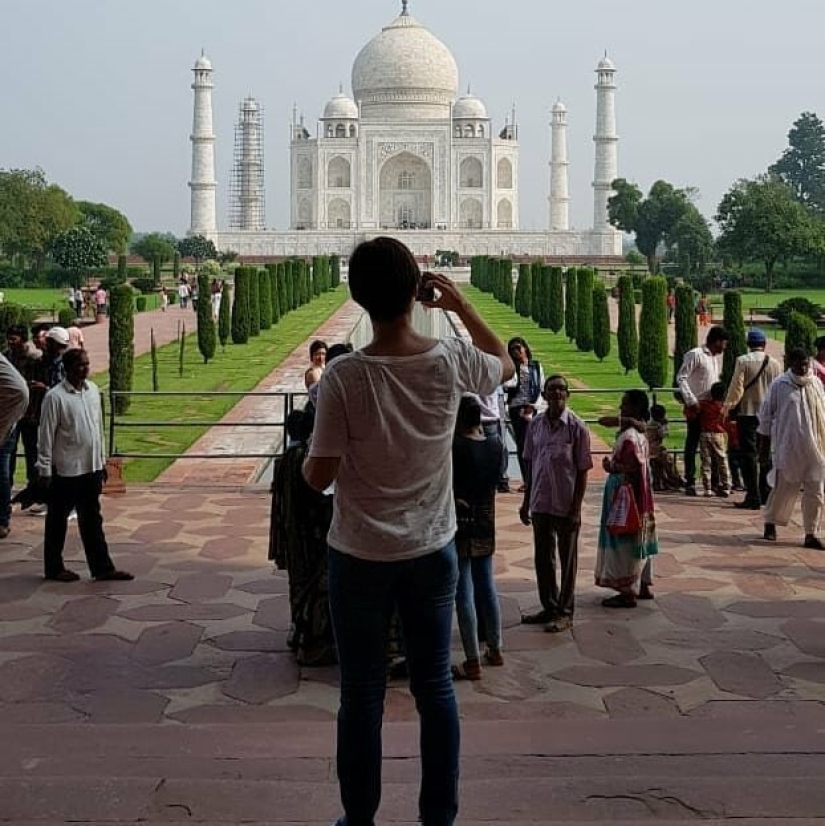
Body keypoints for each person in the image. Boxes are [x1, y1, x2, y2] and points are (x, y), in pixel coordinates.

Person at [302, 236, 512, 826]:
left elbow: (318, 478)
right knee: (435, 692)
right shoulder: (448, 359)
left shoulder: (344, 377)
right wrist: (460, 305)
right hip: (431, 549)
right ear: (417, 288)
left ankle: (359, 818)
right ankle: (438, 817)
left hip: (360, 555)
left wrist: (306, 463)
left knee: (361, 697)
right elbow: (506, 365)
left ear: (358, 295)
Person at [36, 348, 133, 582]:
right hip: (66, 470)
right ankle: (54, 567)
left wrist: (102, 462)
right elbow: (46, 435)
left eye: (87, 364)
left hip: (90, 468)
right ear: (67, 368)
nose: (85, 369)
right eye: (79, 365)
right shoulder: (55, 397)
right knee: (57, 521)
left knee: (92, 520)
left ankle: (102, 567)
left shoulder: (93, 391)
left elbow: (97, 429)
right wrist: (44, 469)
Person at [519, 375, 592, 633]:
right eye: (552, 390)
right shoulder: (536, 425)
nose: (557, 394)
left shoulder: (576, 427)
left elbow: (583, 470)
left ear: (567, 395)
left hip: (565, 502)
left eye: (562, 389)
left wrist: (576, 508)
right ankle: (549, 605)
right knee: (543, 558)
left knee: (567, 559)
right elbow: (530, 463)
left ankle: (565, 610)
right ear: (545, 394)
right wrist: (526, 500)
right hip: (540, 500)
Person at [269, 408, 336, 666]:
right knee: (316, 587)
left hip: (293, 530)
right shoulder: (302, 459)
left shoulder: (287, 458)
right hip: (310, 533)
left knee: (298, 584)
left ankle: (300, 633)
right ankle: (313, 642)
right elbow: (317, 492)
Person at [451, 394, 504, 679]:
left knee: (464, 592)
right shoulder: (496, 446)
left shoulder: (455, 447)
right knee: (487, 585)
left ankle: (472, 659)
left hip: (461, 521)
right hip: (486, 519)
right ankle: (495, 647)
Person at [594, 390, 658, 607]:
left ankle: (626, 590)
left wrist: (610, 466)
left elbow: (630, 467)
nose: (620, 408)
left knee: (623, 539)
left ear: (635, 409)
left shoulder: (630, 437)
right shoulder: (639, 433)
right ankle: (642, 584)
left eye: (625, 405)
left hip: (626, 494)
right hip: (642, 494)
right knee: (640, 537)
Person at [759, 348, 825, 549]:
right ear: (790, 363)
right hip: (789, 446)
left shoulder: (815, 383)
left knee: (816, 492)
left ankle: (811, 533)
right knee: (782, 489)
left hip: (815, 448)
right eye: (799, 363)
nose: (803, 367)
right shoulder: (780, 385)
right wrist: (763, 448)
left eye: (806, 363)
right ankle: (770, 522)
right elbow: (765, 416)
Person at [723, 328, 782, 510]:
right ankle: (766, 492)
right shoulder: (775, 363)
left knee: (748, 454)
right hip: (769, 413)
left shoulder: (743, 361)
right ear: (764, 344)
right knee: (766, 452)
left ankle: (753, 494)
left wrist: (728, 407)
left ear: (749, 344)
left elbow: (737, 388)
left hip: (747, 412)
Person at [675, 325, 729, 496]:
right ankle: (690, 481)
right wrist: (691, 400)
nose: (725, 347)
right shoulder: (696, 354)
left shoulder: (713, 358)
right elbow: (681, 378)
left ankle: (714, 483)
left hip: (711, 408)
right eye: (724, 343)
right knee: (692, 443)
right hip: (697, 406)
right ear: (717, 341)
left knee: (713, 445)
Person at [504, 336, 543, 491]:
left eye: (518, 349)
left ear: (525, 348)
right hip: (517, 411)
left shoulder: (536, 366)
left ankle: (535, 479)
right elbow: (509, 385)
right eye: (512, 350)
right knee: (523, 445)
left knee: (535, 445)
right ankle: (528, 480)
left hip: (533, 409)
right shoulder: (512, 369)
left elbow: (539, 387)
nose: (516, 353)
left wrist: (534, 406)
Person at [0, 353, 29, 539]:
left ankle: (2, 520)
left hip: (9, 414)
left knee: (1, 471)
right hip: (11, 414)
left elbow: (19, 392)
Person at [698, 382, 731, 497]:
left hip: (704, 434)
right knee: (722, 460)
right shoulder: (723, 407)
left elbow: (695, 409)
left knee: (706, 461)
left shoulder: (704, 404)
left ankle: (707, 488)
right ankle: (726, 486)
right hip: (718, 434)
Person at [477, 387, 510, 493]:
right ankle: (499, 480)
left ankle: (498, 480)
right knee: (498, 447)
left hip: (486, 417)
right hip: (491, 417)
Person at [647, 404, 682, 491]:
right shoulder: (658, 425)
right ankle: (675, 482)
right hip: (658, 449)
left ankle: (658, 484)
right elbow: (663, 434)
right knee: (669, 466)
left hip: (649, 450)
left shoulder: (649, 424)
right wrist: (665, 426)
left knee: (656, 469)